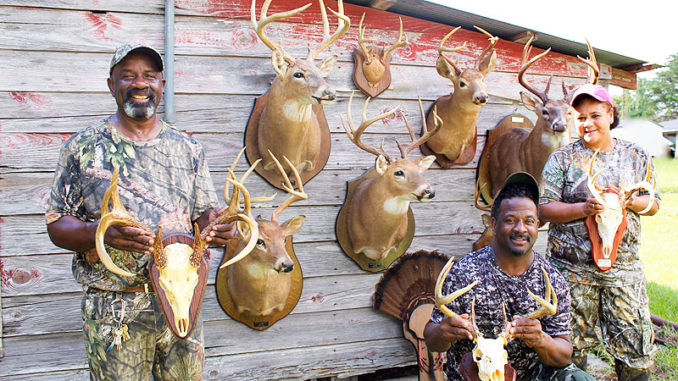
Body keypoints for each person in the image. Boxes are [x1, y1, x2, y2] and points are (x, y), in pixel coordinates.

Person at [45, 43, 235, 380]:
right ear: (111, 85)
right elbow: (58, 225)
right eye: (128, 76)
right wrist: (100, 233)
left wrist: (221, 228)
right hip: (114, 309)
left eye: (149, 76)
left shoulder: (188, 148)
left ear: (162, 84)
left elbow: (204, 217)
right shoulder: (83, 147)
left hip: (181, 302)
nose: (140, 83)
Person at [539, 83, 660, 381]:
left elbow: (654, 203)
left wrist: (632, 202)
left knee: (635, 352)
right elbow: (544, 209)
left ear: (610, 114)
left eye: (595, 115)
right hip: (571, 271)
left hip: (624, 271)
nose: (587, 123)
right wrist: (584, 208)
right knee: (569, 352)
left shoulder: (636, 155)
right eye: (580, 118)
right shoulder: (562, 158)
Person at [424, 173, 593, 381]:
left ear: (537, 225)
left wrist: (541, 339)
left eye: (528, 221)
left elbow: (564, 355)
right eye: (510, 220)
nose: (521, 228)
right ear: (494, 225)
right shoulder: (464, 272)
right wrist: (443, 332)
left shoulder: (551, 280)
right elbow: (431, 339)